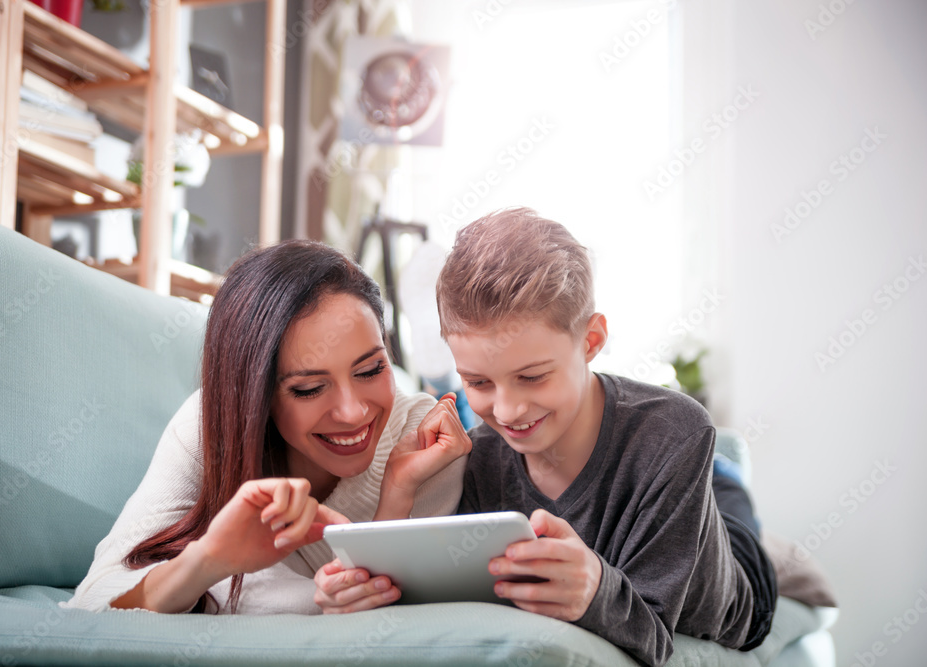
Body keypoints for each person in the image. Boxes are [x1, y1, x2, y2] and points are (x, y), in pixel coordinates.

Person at [314, 208, 776, 667]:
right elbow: (428, 610)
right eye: (478, 383)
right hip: (652, 472)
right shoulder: (486, 458)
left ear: (591, 341)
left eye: (532, 377)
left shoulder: (675, 432)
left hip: (733, 565)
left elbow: (654, 639)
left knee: (723, 486)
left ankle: (723, 472)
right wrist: (397, 491)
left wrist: (596, 587)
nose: (508, 411)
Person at [65, 239, 470, 616]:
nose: (352, 412)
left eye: (371, 369)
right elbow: (94, 599)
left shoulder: (427, 445)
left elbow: (387, 615)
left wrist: (396, 498)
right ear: (256, 394)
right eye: (309, 388)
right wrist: (209, 560)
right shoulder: (211, 423)